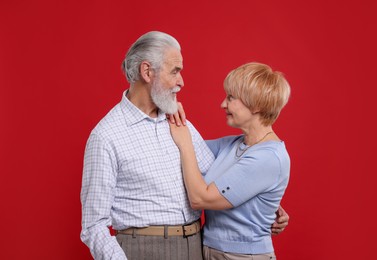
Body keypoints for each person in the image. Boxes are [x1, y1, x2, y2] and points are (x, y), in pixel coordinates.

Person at [81, 31, 289, 260]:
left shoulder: (180, 125)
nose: (182, 81)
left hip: (196, 246)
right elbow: (94, 225)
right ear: (147, 72)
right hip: (143, 250)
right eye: (175, 71)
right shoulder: (106, 136)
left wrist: (264, 207)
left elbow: (219, 177)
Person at [169, 62, 291, 259]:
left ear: (257, 104)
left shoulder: (269, 157)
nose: (223, 104)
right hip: (210, 250)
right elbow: (173, 148)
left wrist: (184, 143)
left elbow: (200, 198)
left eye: (231, 98)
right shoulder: (231, 145)